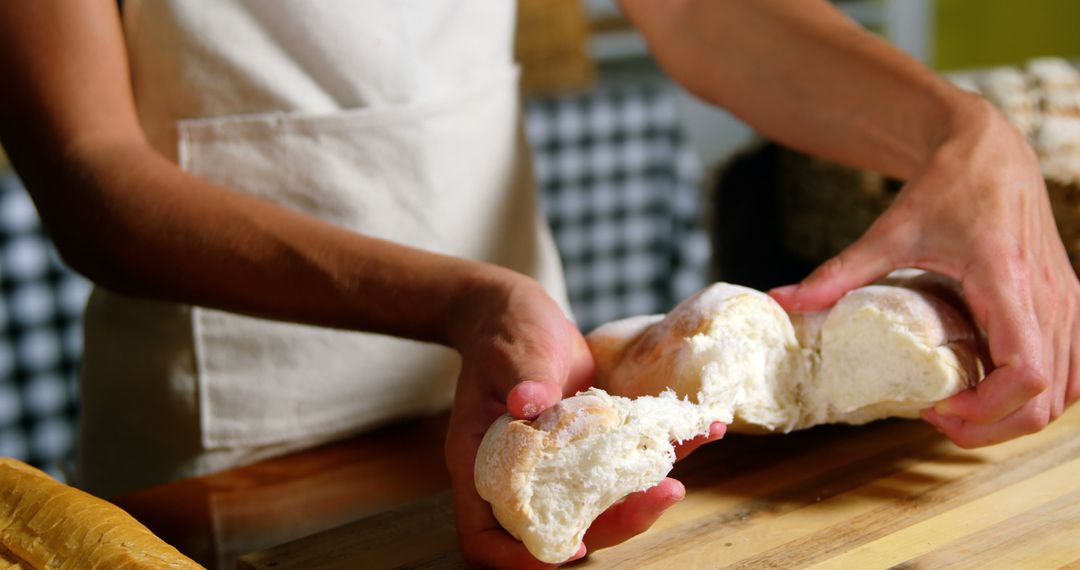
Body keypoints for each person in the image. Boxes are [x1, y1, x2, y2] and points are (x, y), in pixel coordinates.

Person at [0, 0, 1075, 567]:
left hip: (538, 386)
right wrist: (463, 302)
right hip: (234, 457)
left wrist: (961, 130)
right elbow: (94, 176)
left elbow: (702, 12)